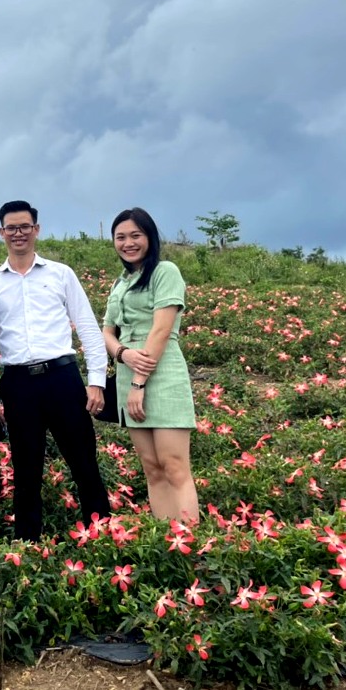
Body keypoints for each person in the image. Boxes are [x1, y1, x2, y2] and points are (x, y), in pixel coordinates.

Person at [0, 201, 111, 541]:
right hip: (19, 383)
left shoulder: (61, 273)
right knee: (26, 470)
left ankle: (103, 536)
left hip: (62, 378)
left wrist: (96, 382)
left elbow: (88, 328)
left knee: (84, 463)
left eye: (25, 226)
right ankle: (28, 545)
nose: (18, 233)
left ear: (36, 229)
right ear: (1, 233)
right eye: (11, 227)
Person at [102, 208, 198, 521]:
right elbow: (107, 330)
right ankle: (167, 544)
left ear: (149, 238)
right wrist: (122, 354)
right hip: (129, 373)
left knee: (174, 466)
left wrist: (138, 384)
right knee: (153, 469)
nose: (128, 243)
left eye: (135, 236)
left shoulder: (165, 272)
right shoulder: (120, 282)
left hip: (162, 375)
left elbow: (160, 330)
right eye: (121, 237)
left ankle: (190, 547)